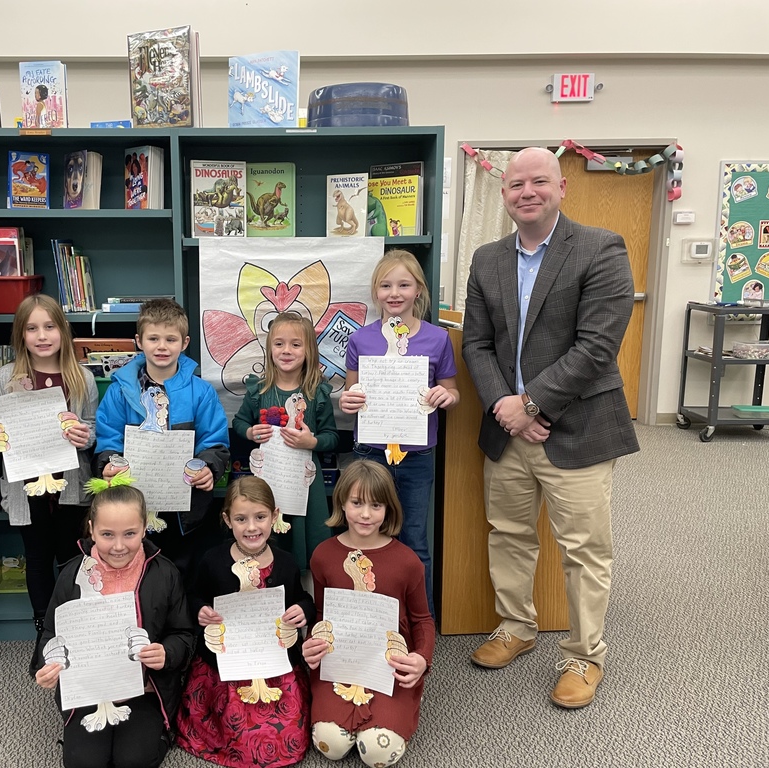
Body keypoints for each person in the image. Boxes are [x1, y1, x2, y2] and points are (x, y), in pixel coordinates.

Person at [462, 146, 640, 709]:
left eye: (539, 182)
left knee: (584, 549)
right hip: (507, 431)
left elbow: (597, 347)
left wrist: (531, 405)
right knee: (509, 533)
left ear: (561, 187)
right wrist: (505, 408)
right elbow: (477, 343)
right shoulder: (486, 258)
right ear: (504, 193)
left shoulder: (601, 248)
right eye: (516, 185)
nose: (527, 192)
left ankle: (585, 654)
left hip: (579, 428)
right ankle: (516, 626)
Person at [0, 294, 97, 676]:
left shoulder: (82, 377)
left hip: (71, 484)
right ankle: (44, 634)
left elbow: (92, 431)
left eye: (50, 326)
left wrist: (83, 437)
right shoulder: (2, 379)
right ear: (20, 335)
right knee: (38, 558)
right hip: (26, 487)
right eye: (32, 328)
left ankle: (74, 630)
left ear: (63, 330)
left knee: (72, 557)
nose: (42, 336)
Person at [34, 483, 195, 768]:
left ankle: (160, 733)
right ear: (92, 529)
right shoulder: (71, 574)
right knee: (84, 762)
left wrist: (166, 653)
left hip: (144, 688)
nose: (119, 546)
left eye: (130, 534)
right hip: (88, 689)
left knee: (133, 760)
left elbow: (183, 634)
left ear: (144, 528)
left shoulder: (166, 573)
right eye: (107, 534)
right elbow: (50, 632)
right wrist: (47, 665)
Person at [339, 249, 459, 618]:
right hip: (370, 454)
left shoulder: (438, 339)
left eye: (404, 284)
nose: (395, 293)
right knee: (364, 535)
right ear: (375, 291)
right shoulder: (361, 340)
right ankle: (369, 615)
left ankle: (421, 619)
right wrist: (348, 401)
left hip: (417, 455)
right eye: (386, 285)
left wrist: (445, 396)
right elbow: (350, 393)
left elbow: (452, 392)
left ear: (418, 289)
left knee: (414, 538)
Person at [302, 460, 435, 768]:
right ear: (341, 503)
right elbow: (323, 614)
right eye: (357, 503)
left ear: (389, 509)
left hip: (387, 663)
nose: (365, 514)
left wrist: (422, 659)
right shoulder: (323, 555)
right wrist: (311, 643)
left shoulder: (407, 561)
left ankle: (405, 702)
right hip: (339, 663)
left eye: (376, 505)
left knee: (377, 752)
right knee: (329, 744)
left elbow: (422, 620)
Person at [176, 476, 315, 767]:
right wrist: (200, 608)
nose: (252, 527)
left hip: (274, 659)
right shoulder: (212, 560)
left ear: (275, 516)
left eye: (260, 517)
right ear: (227, 520)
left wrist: (303, 610)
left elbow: (302, 597)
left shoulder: (286, 562)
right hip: (226, 662)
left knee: (286, 730)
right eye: (241, 519)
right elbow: (193, 595)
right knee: (235, 729)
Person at [94, 298, 230, 577]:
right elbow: (108, 438)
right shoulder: (120, 391)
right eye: (153, 338)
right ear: (139, 341)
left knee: (184, 576)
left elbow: (214, 441)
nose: (162, 346)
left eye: (171, 339)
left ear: (185, 342)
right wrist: (108, 462)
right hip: (133, 507)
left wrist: (208, 467)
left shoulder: (201, 392)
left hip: (186, 511)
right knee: (139, 575)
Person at [232, 312, 338, 569]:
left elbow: (332, 437)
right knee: (267, 530)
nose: (286, 350)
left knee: (304, 535)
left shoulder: (317, 392)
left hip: (304, 480)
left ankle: (301, 588)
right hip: (268, 476)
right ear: (270, 349)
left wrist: (312, 442)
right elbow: (239, 423)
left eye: (296, 344)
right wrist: (250, 433)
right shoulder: (259, 389)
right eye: (279, 344)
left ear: (309, 350)